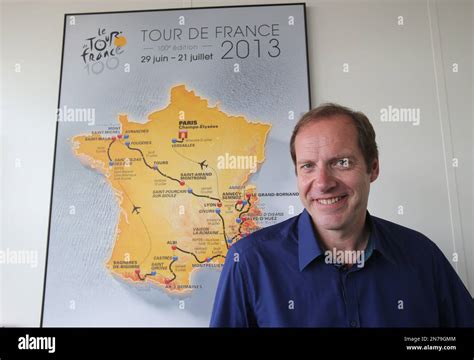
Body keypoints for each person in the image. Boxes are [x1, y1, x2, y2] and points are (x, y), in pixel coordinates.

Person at [210, 103, 474, 327]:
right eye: (308, 166)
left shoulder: (422, 256)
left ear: (373, 168)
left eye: (341, 162)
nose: (323, 182)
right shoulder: (247, 263)